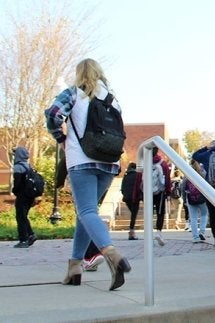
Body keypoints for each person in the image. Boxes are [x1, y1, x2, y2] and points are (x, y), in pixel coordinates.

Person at [44, 58, 131, 291]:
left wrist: (61, 138)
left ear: (79, 73)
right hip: (109, 162)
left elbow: (53, 114)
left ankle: (112, 254)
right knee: (87, 213)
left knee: (86, 211)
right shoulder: (113, 99)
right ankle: (74, 268)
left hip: (81, 159)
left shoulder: (74, 93)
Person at [11, 147, 37, 248]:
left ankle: (24, 240)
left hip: (22, 195)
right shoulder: (28, 166)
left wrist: (15, 191)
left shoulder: (18, 167)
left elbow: (17, 183)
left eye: (15, 153)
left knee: (20, 217)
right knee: (23, 216)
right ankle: (31, 235)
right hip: (30, 195)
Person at [182, 159, 209, 243]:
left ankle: (195, 237)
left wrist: (184, 199)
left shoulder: (187, 173)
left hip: (190, 197)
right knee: (204, 214)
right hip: (202, 197)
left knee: (193, 218)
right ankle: (202, 231)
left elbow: (183, 187)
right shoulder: (203, 172)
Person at [121, 162, 140, 240]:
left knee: (133, 214)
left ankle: (131, 232)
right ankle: (131, 233)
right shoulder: (137, 175)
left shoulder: (125, 176)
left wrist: (125, 194)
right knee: (134, 215)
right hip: (135, 198)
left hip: (126, 198)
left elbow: (122, 187)